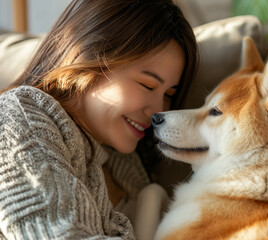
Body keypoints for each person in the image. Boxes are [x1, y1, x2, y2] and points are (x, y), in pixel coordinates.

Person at [0, 0, 197, 239]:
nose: (158, 111)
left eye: (168, 95)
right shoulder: (20, 116)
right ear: (89, 54)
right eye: (147, 85)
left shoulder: (123, 162)